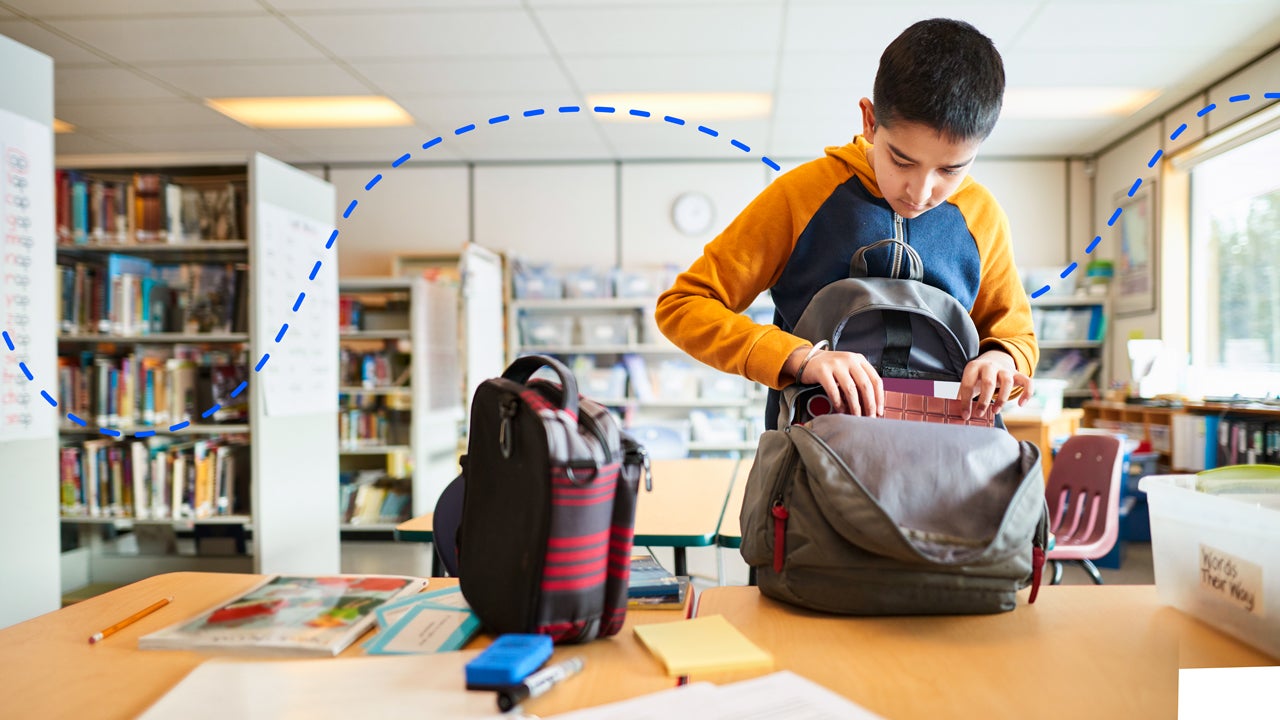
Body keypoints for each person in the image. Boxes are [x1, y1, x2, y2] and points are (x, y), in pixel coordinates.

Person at [655, 17, 1037, 429]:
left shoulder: (982, 215)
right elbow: (683, 307)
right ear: (870, 121)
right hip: (820, 467)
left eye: (950, 170)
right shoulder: (801, 197)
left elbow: (1017, 337)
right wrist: (801, 359)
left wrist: (1002, 360)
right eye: (902, 161)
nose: (921, 191)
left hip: (947, 468)